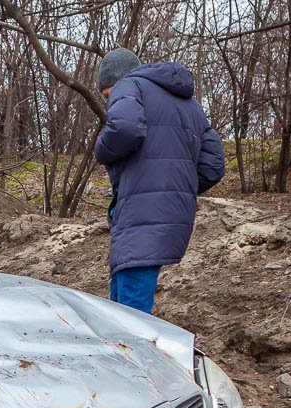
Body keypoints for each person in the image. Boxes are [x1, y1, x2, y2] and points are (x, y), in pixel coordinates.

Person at [94, 48, 225, 315]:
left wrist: (101, 150)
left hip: (141, 214)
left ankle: (134, 356)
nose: (109, 102)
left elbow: (125, 128)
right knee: (123, 295)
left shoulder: (128, 85)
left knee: (130, 314)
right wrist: (173, 186)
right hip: (169, 214)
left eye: (108, 95)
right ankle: (126, 352)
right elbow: (213, 165)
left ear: (115, 82)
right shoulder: (190, 104)